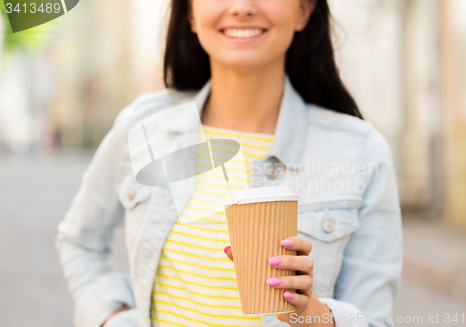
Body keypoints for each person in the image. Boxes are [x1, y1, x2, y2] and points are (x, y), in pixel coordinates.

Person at [56, 1, 402, 327]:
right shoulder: (143, 128)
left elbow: (374, 319)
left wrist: (309, 312)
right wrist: (111, 316)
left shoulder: (361, 152)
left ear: (305, 9)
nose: (241, 7)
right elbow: (79, 241)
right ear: (189, 13)